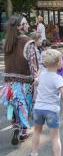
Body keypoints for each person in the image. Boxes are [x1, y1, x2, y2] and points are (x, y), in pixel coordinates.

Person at [0, 16, 39, 144]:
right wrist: (37, 79)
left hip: (9, 82)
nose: (28, 25)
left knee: (13, 104)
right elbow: (33, 65)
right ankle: (23, 132)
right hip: (25, 83)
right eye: (25, 23)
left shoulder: (6, 41)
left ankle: (15, 126)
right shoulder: (28, 42)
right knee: (24, 106)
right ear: (19, 27)